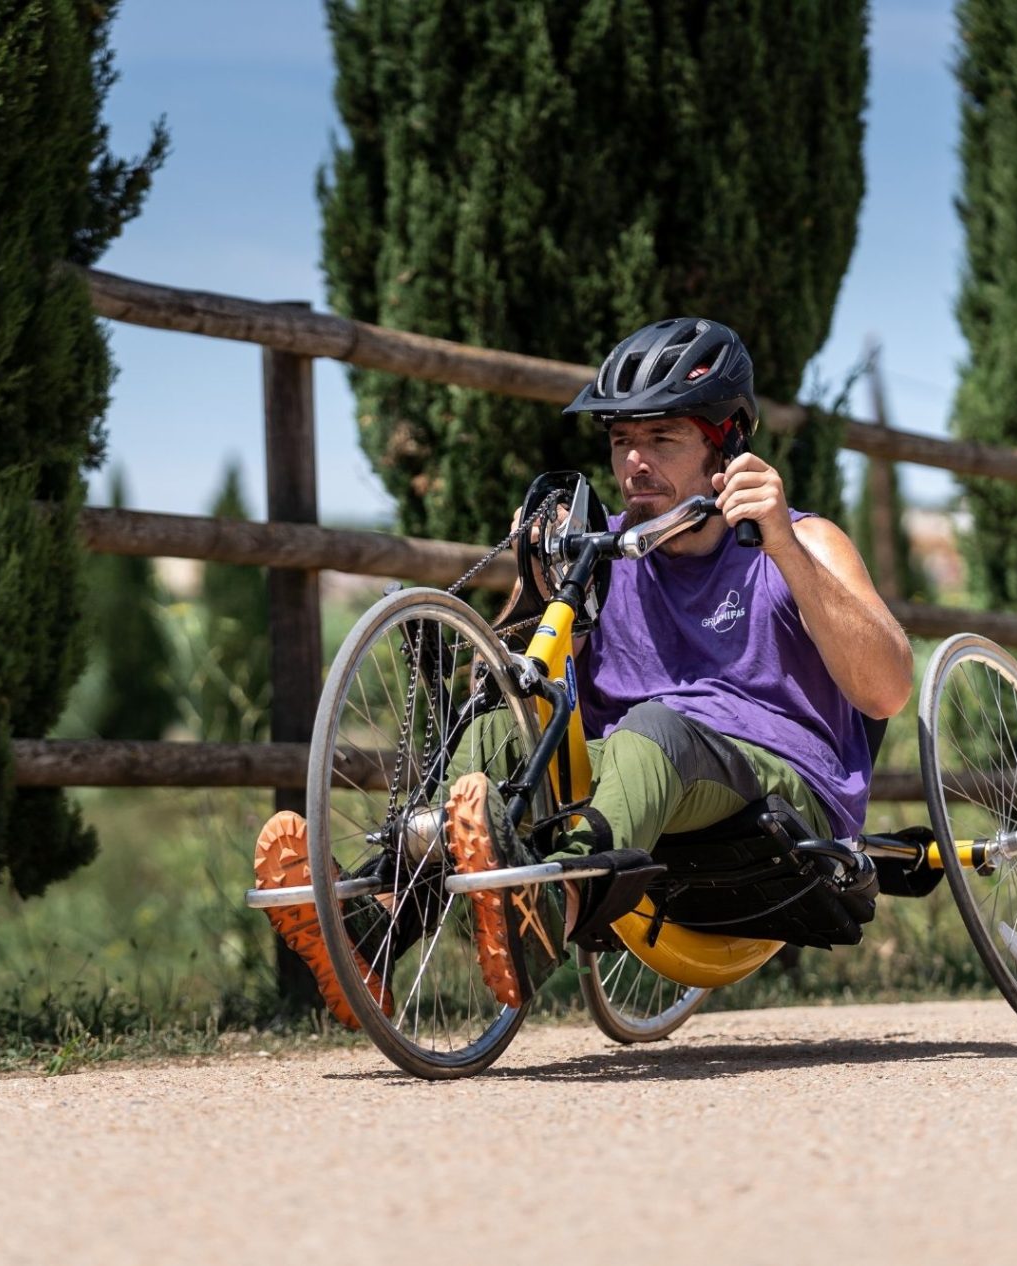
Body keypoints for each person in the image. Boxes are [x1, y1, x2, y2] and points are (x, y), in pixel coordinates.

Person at [254, 317, 913, 1024]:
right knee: (494, 736)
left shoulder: (801, 542)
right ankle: (376, 929)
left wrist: (780, 542)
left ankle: (551, 909)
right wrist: (535, 586)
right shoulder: (607, 561)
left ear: (726, 447)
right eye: (622, 440)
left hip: (781, 789)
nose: (634, 462)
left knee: (656, 729)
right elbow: (529, 687)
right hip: (643, 782)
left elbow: (886, 687)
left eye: (662, 439)